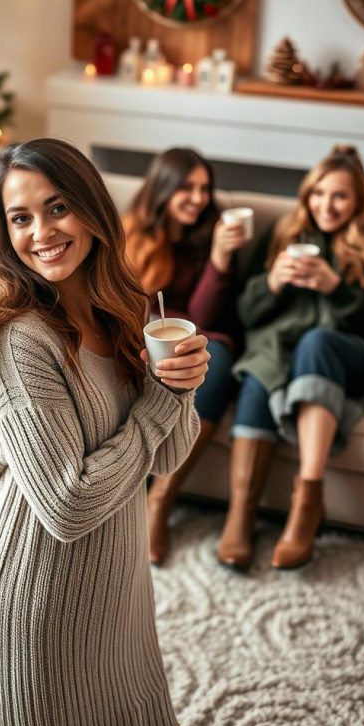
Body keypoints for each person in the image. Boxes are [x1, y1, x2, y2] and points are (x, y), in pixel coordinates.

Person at [0, 138, 210, 726]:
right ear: (3, 230)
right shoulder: (18, 343)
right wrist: (160, 403)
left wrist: (180, 389)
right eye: (20, 217)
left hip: (117, 602)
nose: (41, 232)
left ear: (93, 212)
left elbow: (167, 458)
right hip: (34, 610)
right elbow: (67, 506)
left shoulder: (118, 314)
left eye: (58, 207)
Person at [217, 144, 364, 571]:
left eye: (339, 196)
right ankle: (241, 514)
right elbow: (245, 315)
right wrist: (272, 282)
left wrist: (337, 288)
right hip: (284, 355)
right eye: (317, 193)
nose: (325, 205)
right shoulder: (282, 236)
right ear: (306, 194)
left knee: (317, 341)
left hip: (353, 358)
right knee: (262, 366)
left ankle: (308, 500)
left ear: (357, 202)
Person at [123, 147, 250, 565]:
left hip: (200, 342)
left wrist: (218, 257)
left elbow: (205, 317)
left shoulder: (210, 237)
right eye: (187, 188)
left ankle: (160, 500)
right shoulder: (132, 235)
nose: (198, 198)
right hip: (139, 341)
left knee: (217, 360)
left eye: (204, 189)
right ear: (163, 188)